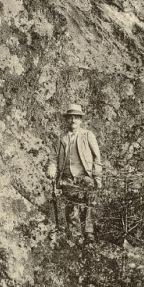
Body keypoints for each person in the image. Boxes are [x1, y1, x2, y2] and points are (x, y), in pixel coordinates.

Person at [46, 103, 103, 244]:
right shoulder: (61, 138)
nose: (73, 120)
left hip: (84, 175)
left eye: (76, 117)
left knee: (89, 200)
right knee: (71, 205)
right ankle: (76, 237)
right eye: (70, 117)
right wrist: (52, 167)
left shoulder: (87, 135)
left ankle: (88, 232)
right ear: (66, 120)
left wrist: (97, 176)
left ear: (81, 120)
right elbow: (53, 157)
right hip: (67, 177)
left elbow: (97, 157)